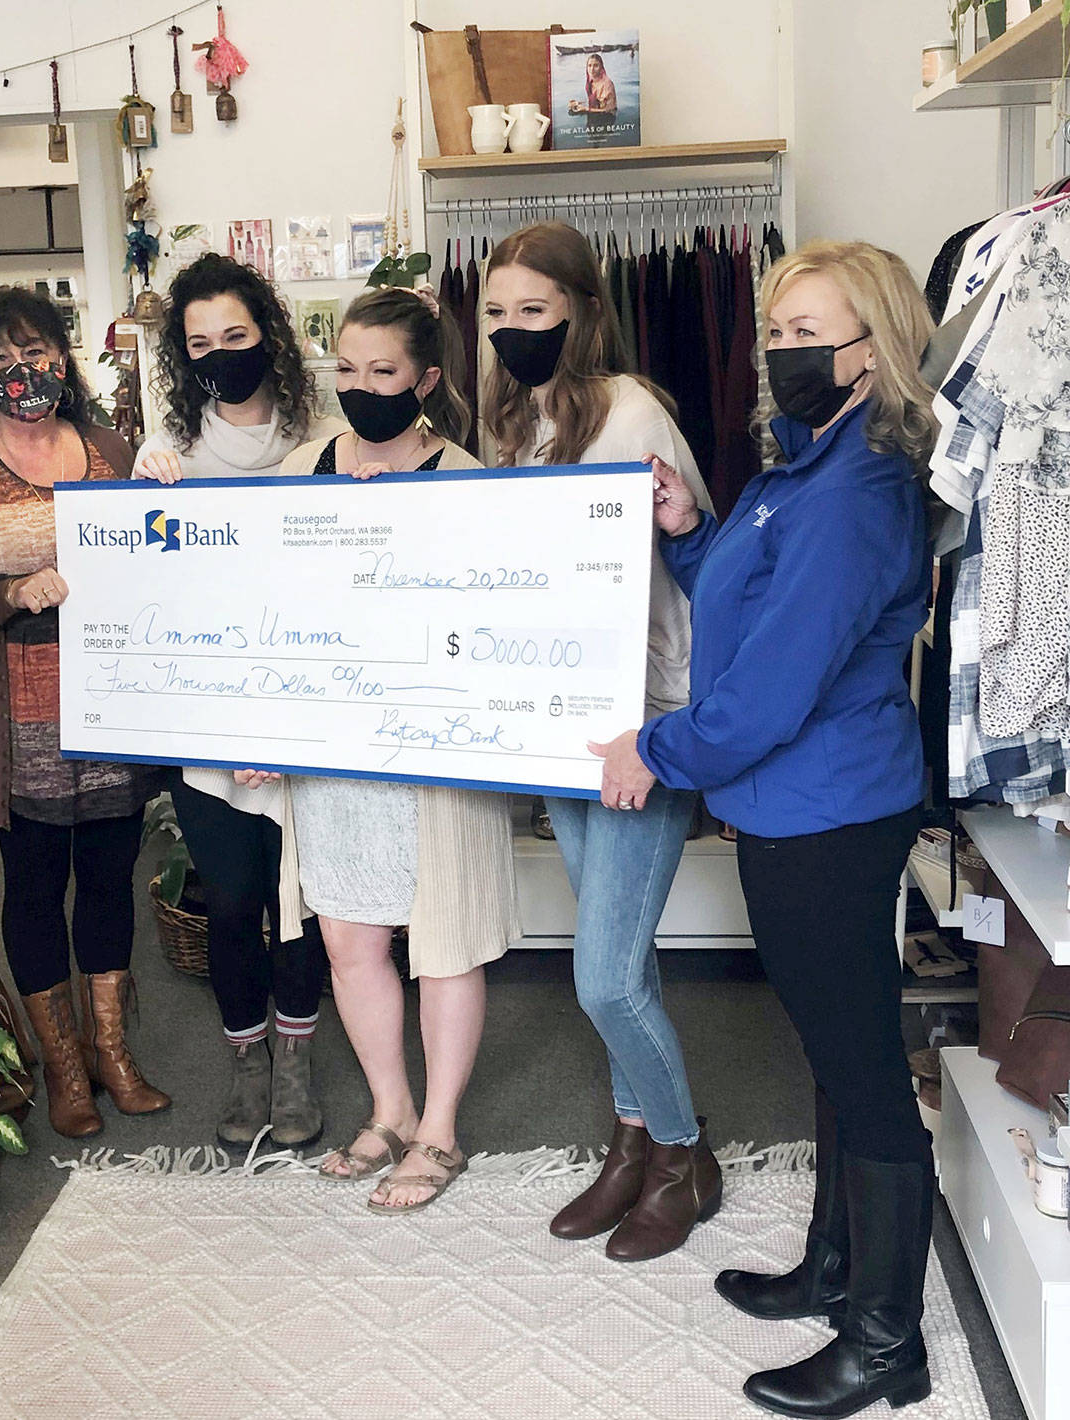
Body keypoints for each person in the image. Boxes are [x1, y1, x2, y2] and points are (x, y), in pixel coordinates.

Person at [595, 240, 936, 1416]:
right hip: (793, 811)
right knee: (833, 1055)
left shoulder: (854, 492)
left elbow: (769, 690)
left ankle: (887, 1345)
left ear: (871, 349)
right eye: (775, 331)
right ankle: (835, 1270)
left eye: (811, 333)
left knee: (860, 1069)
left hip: (829, 812)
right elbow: (742, 598)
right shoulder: (800, 468)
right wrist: (690, 527)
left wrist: (654, 749)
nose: (784, 351)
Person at [480, 221, 721, 1262]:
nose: (511, 330)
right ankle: (631, 1145)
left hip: (637, 723)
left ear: (581, 311)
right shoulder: (513, 421)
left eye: (533, 310)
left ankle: (680, 1150)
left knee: (602, 977)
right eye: (495, 313)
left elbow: (693, 559)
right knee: (617, 955)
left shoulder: (632, 413)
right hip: (557, 723)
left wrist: (655, 730)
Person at [250, 284, 520, 1211]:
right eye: (348, 369)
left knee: (445, 939)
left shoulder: (466, 482)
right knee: (348, 937)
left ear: (426, 379)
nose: (361, 386)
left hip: (435, 756)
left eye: (384, 370)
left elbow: (491, 623)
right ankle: (391, 1109)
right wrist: (263, 735)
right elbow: (267, 617)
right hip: (334, 758)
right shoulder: (298, 472)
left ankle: (440, 1131)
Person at [0, 286, 169, 1140]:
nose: (21, 371)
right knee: (32, 888)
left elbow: (161, 557)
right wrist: (11, 595)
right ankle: (62, 1067)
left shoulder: (108, 447)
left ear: (65, 356)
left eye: (36, 350)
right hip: (16, 728)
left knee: (108, 880)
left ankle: (112, 1054)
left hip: (113, 711)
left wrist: (167, 492)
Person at [133, 254, 344, 1150]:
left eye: (237, 336)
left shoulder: (328, 435)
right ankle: (247, 1060)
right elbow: (149, 587)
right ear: (183, 357)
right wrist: (140, 506)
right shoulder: (170, 453)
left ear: (269, 335)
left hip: (302, 716)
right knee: (229, 902)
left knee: (297, 898)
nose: (221, 353)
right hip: (210, 721)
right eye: (201, 343)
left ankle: (295, 1064)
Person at [570, 53, 617, 133]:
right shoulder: (590, 82)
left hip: (607, 118)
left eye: (596, 66)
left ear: (601, 67)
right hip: (595, 113)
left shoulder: (607, 84)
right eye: (589, 65)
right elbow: (596, 100)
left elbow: (609, 109)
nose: (592, 69)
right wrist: (578, 103)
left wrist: (585, 109)